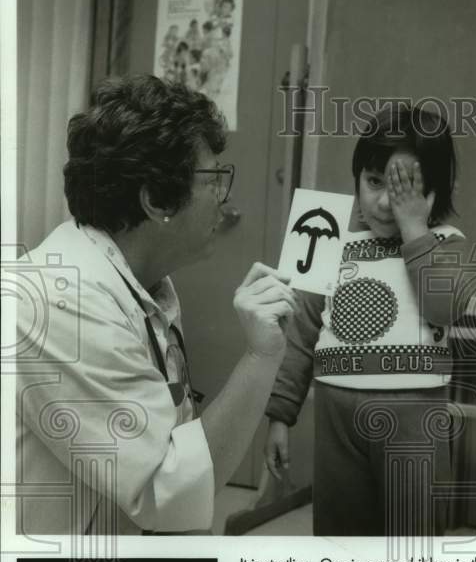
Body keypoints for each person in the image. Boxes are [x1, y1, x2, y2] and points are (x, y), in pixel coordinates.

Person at [15, 75, 296, 535]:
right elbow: (167, 491)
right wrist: (261, 356)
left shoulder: (146, 284)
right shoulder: (62, 302)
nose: (224, 201)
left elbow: (175, 445)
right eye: (213, 180)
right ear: (156, 200)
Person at [264, 104, 470, 536]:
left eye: (404, 189)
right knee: (340, 533)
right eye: (374, 181)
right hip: (336, 416)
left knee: (412, 536)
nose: (382, 201)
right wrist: (280, 415)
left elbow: (443, 308)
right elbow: (300, 332)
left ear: (434, 191)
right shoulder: (327, 237)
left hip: (413, 415)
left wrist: (414, 228)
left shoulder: (444, 242)